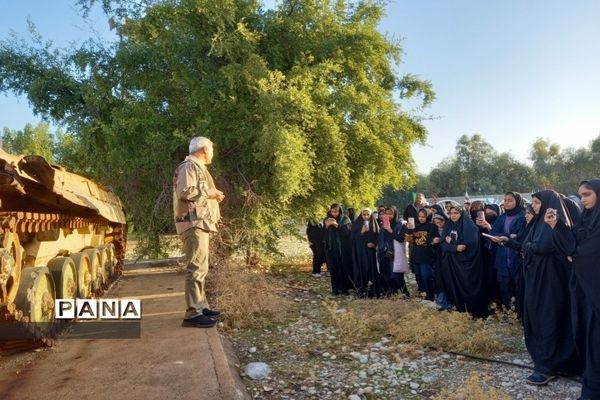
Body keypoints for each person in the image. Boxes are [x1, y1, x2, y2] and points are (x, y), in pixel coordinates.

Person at [520, 190, 579, 385]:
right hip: (537, 280)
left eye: (537, 203)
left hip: (552, 282)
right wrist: (530, 247)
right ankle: (544, 358)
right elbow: (526, 245)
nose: (534, 206)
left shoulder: (557, 225)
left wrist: (530, 247)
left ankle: (548, 366)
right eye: (534, 203)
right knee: (538, 317)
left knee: (549, 318)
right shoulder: (537, 222)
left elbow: (542, 246)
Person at [551, 180, 600, 399]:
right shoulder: (588, 218)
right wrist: (559, 227)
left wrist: (576, 254)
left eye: (587, 194)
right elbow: (574, 244)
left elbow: (586, 252)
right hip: (584, 288)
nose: (583, 199)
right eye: (580, 196)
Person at [173, 136, 225, 328]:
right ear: (203, 150)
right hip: (192, 224)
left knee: (201, 268)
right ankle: (193, 314)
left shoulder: (198, 168)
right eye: (211, 150)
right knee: (196, 267)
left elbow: (197, 194)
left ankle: (201, 306)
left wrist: (213, 197)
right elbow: (185, 192)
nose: (213, 153)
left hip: (200, 224)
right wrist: (211, 194)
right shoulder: (188, 167)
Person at [440, 205, 488, 318]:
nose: (453, 215)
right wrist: (454, 247)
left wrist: (451, 242)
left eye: (456, 213)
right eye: (451, 213)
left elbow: (467, 246)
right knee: (455, 288)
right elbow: (443, 243)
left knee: (469, 287)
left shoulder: (470, 226)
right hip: (453, 264)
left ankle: (474, 313)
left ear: (461, 214)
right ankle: (460, 311)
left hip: (468, 265)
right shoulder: (449, 225)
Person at [486, 192, 526, 312]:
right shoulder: (502, 217)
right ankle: (508, 314)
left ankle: (520, 315)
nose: (506, 203)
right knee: (505, 287)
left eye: (510, 200)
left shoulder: (523, 216)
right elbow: (493, 233)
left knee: (519, 288)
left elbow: (521, 235)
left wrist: (507, 238)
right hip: (503, 257)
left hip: (517, 256)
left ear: (517, 201)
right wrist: (508, 236)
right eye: (505, 200)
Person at [407, 208, 439, 301]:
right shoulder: (415, 226)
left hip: (427, 255)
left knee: (426, 276)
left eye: (423, 216)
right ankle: (423, 294)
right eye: (419, 216)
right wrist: (409, 230)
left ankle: (431, 296)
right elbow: (410, 240)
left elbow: (436, 239)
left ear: (428, 216)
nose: (421, 218)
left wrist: (430, 241)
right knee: (418, 276)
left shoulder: (432, 226)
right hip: (416, 254)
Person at [378, 206, 410, 297]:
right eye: (386, 213)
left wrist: (389, 229)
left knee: (397, 274)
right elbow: (380, 237)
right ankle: (393, 292)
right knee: (386, 273)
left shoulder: (401, 224)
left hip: (396, 252)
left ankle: (405, 293)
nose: (388, 215)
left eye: (390, 214)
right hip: (384, 251)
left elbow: (400, 238)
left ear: (395, 214)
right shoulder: (382, 224)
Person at [324, 204, 353, 296]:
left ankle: (344, 289)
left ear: (340, 211)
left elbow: (347, 233)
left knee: (343, 268)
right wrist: (326, 226)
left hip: (343, 250)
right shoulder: (327, 219)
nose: (334, 213)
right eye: (333, 211)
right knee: (333, 269)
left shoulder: (345, 220)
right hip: (332, 249)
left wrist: (337, 226)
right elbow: (323, 235)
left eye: (336, 211)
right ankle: (335, 289)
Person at [351, 208, 379, 298]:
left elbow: (378, 236)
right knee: (362, 269)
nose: (366, 216)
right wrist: (361, 232)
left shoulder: (374, 223)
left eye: (368, 214)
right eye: (364, 214)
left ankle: (374, 291)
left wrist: (374, 244)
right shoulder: (357, 224)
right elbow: (352, 238)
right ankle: (361, 291)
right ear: (361, 215)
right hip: (360, 251)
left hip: (371, 252)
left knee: (372, 270)